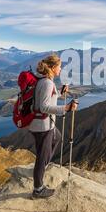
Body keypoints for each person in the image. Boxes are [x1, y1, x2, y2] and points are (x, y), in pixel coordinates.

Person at [29, 54, 78, 199]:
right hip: (42, 125)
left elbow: (48, 101)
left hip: (44, 123)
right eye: (59, 66)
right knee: (42, 155)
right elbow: (44, 107)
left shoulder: (45, 80)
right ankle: (38, 189)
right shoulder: (47, 83)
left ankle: (41, 167)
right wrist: (66, 108)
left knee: (57, 139)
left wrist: (61, 94)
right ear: (52, 67)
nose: (61, 69)